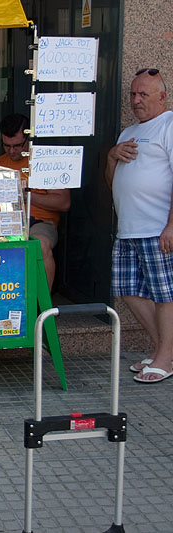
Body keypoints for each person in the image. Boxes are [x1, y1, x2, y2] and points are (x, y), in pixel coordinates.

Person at [105, 68, 173, 383]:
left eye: (143, 94)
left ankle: (165, 358)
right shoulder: (128, 132)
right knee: (127, 290)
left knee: (164, 295)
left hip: (157, 227)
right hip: (128, 229)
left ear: (162, 97)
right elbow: (112, 183)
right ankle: (164, 350)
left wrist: (171, 226)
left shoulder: (169, 125)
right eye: (133, 94)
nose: (136, 100)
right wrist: (111, 157)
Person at [0, 113, 70, 288]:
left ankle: (43, 303)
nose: (12, 151)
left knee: (40, 245)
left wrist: (26, 194)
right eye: (7, 146)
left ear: (29, 139)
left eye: (17, 145)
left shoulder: (44, 161)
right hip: (4, 221)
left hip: (39, 221)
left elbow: (64, 203)